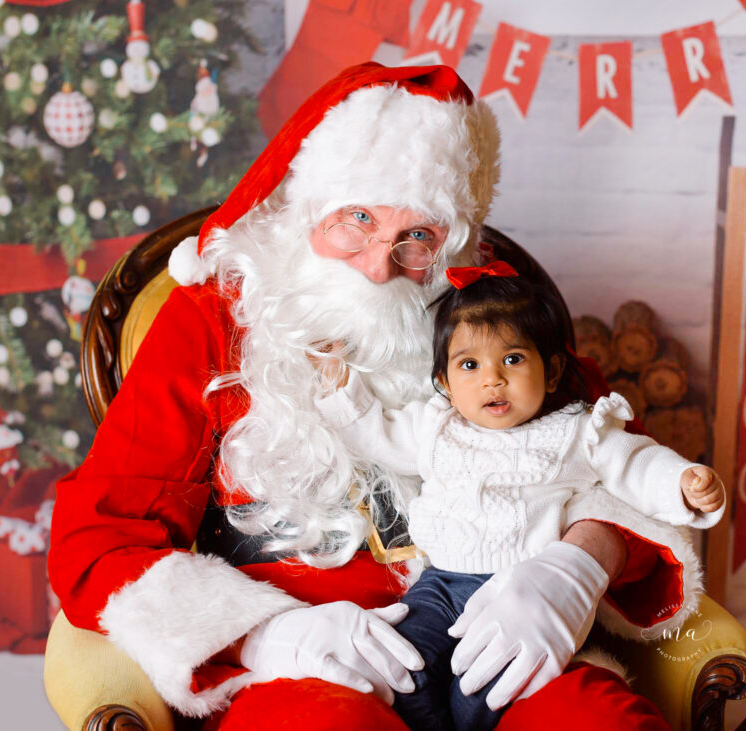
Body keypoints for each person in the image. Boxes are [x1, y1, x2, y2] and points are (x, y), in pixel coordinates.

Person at [48, 62, 711, 730]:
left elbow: (605, 454)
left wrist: (579, 564)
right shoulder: (212, 317)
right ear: (308, 202)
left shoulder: (487, 315)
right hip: (309, 673)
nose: (376, 265)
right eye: (357, 218)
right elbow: (101, 541)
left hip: (500, 648)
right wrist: (266, 635)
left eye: (415, 237)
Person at [309, 263, 725, 730]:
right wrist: (337, 384)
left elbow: (637, 464)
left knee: (491, 684)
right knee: (402, 667)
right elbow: (375, 434)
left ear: (551, 373)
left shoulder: (576, 431)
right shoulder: (435, 427)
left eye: (512, 359)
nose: (492, 379)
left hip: (526, 594)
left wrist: (684, 481)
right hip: (440, 587)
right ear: (445, 383)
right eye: (470, 365)